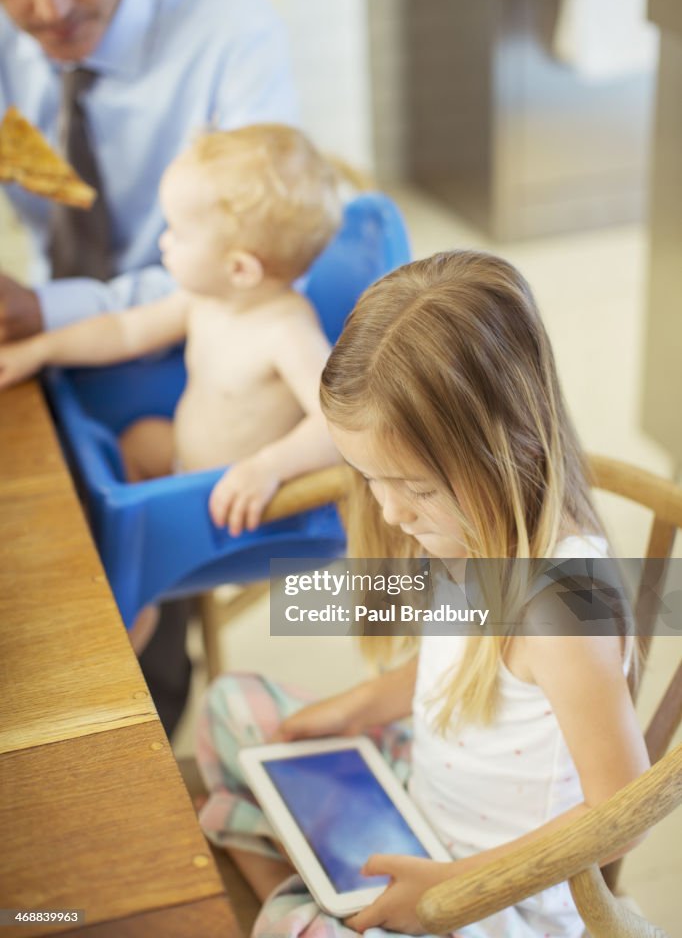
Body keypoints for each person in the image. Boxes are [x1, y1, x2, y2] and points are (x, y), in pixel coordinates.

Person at [194, 252, 650, 938]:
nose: (388, 511)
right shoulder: (473, 529)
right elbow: (461, 663)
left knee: (294, 923)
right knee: (231, 707)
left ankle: (317, 900)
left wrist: (455, 887)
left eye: (414, 487)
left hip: (499, 893)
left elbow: (621, 818)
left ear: (505, 449)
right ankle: (327, 894)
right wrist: (357, 705)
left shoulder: (564, 604)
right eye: (368, 477)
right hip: (419, 794)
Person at [0, 0, 298, 731]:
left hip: (195, 346)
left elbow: (257, 271)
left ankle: (139, 704)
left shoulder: (228, 32)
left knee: (88, 542)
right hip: (80, 329)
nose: (47, 5)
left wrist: (43, 315)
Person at [0, 124, 341, 672]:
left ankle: (137, 601)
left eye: (177, 234)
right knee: (136, 442)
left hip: (236, 505)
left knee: (130, 533)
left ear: (240, 268)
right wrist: (40, 349)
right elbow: (122, 331)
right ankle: (125, 546)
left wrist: (267, 467)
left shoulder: (287, 333)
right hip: (184, 461)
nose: (163, 243)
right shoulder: (206, 299)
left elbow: (342, 427)